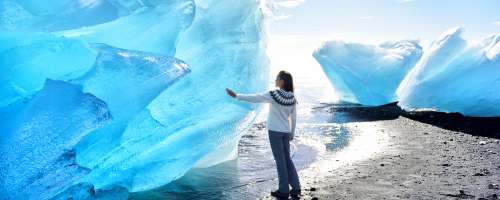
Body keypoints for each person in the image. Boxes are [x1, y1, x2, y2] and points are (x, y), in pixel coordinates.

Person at [226, 70, 301, 199]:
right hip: (286, 132)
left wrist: (237, 96)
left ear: (282, 81)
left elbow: (256, 98)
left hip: (274, 131)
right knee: (287, 159)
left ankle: (283, 190)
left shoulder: (274, 95)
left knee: (280, 161)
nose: (275, 80)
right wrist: (292, 133)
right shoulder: (292, 98)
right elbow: (294, 118)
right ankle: (296, 187)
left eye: (277, 78)